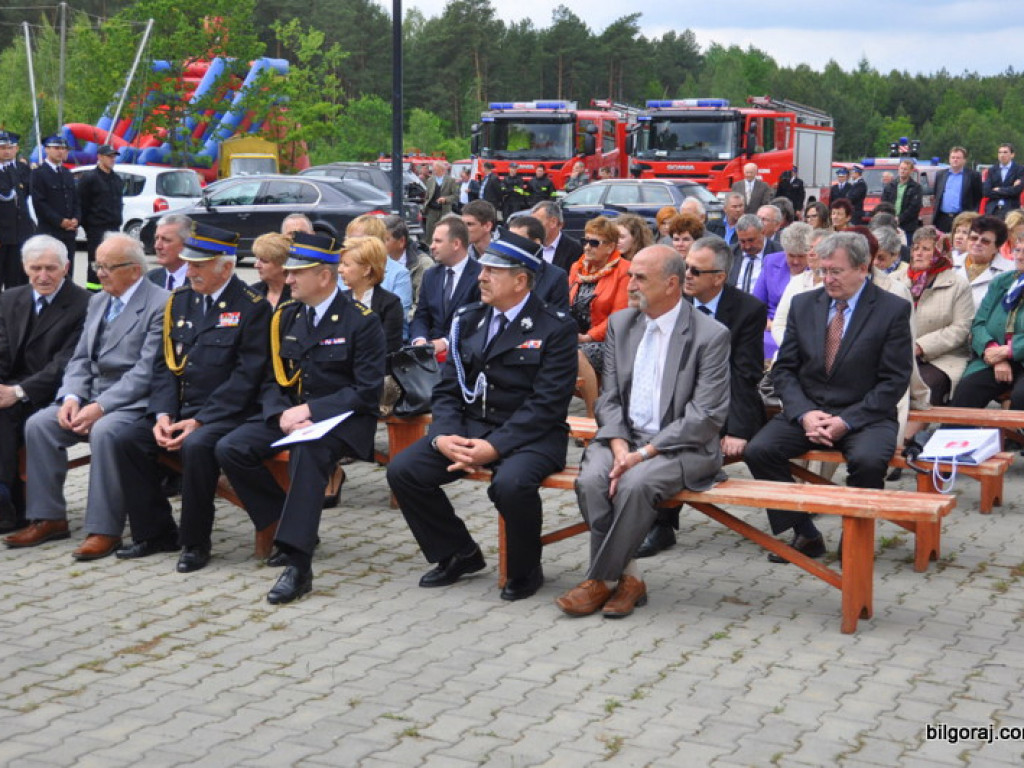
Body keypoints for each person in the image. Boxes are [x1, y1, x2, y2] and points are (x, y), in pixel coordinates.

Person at [387, 234, 577, 601]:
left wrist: (495, 447)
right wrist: (443, 435)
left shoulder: (555, 327)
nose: (481, 276)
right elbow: (447, 388)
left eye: (492, 270)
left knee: (510, 484)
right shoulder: (469, 318)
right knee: (403, 470)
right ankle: (457, 552)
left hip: (531, 436)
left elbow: (547, 404)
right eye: (483, 268)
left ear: (520, 280)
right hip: (471, 429)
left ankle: (524, 569)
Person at [555, 245, 730, 617]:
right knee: (590, 482)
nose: (629, 283)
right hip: (625, 437)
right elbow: (609, 398)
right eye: (631, 275)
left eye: (639, 278)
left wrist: (642, 455)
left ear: (671, 284)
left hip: (683, 446)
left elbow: (705, 416)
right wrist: (620, 445)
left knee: (635, 485)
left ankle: (598, 581)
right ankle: (629, 579)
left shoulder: (710, 335)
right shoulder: (623, 324)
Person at [215, 233, 386, 604]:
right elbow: (271, 378)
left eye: (296, 273)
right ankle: (283, 521)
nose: (287, 279)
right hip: (291, 416)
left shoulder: (361, 322)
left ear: (324, 277)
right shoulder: (287, 316)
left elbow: (367, 389)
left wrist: (310, 411)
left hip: (343, 420)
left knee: (307, 454)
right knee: (231, 447)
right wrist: (281, 414)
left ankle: (298, 564)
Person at [743, 232, 913, 560]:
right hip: (811, 410)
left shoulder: (892, 309)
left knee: (866, 463)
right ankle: (805, 533)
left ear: (863, 268)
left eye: (836, 271)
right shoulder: (805, 304)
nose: (827, 279)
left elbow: (894, 381)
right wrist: (804, 412)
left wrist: (847, 420)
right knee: (759, 451)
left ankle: (856, 543)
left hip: (866, 416)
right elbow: (785, 369)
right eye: (823, 271)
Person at [113, 224, 271, 569]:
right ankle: (154, 533)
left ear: (226, 267)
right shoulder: (181, 301)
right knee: (127, 439)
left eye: (199, 265)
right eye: (189, 264)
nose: (191, 271)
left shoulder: (252, 308)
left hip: (225, 413)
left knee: (198, 447)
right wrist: (163, 414)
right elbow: (165, 366)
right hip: (180, 409)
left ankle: (195, 542)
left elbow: (247, 377)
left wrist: (199, 419)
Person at [5, 234, 167, 556]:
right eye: (97, 265)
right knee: (40, 424)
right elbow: (79, 358)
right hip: (88, 396)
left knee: (106, 433)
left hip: (129, 402)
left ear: (135, 270)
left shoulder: (160, 304)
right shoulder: (99, 300)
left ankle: (104, 529)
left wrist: (100, 407)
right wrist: (71, 398)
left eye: (107, 267)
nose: (99, 273)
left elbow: (146, 372)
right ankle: (48, 518)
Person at [636, 235, 766, 558]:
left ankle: (798, 527)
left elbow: (745, 373)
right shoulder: (672, 301)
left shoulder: (747, 310)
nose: (687, 276)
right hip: (676, 407)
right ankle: (660, 525)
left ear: (719, 278)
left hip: (722, 407)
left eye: (695, 270)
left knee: (757, 451)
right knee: (658, 440)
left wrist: (736, 428)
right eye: (685, 267)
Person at [0, 235, 89, 532]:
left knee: (9, 414)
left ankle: (10, 504)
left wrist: (18, 392)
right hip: (11, 387)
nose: (43, 276)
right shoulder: (9, 298)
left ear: (66, 267)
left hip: (55, 392)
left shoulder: (84, 304)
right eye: (35, 267)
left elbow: (67, 363)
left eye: (51, 268)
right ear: (24, 267)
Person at [897, 226, 973, 405]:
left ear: (940, 253)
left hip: (943, 358)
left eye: (926, 249)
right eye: (915, 248)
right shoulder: (896, 279)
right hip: (898, 353)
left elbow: (960, 329)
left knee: (924, 386)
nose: (918, 253)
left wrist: (920, 346)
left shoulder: (958, 285)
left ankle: (907, 434)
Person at [950, 238, 1024, 410]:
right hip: (995, 357)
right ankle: (956, 436)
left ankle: (1013, 437)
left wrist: (1010, 350)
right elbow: (979, 323)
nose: (1019, 257)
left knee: (1021, 398)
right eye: (1017, 250)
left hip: (1015, 355)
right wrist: (993, 353)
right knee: (968, 389)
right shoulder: (1002, 281)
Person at [570, 216, 631, 418]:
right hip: (576, 336)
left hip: (612, 340)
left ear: (610, 246)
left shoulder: (623, 270)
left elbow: (619, 316)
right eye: (584, 241)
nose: (587, 247)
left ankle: (593, 417)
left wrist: (588, 337)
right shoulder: (577, 269)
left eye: (594, 243)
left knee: (578, 354)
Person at [410, 216, 481, 356]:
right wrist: (419, 340)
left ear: (456, 244)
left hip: (464, 355)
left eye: (438, 241)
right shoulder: (430, 275)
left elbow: (478, 323)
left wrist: (445, 342)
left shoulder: (480, 276)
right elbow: (421, 315)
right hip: (428, 355)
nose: (431, 246)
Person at [753, 222, 813, 360]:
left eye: (801, 256)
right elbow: (756, 304)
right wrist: (767, 324)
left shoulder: (816, 271)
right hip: (768, 328)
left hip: (803, 333)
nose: (796, 261)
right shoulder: (771, 261)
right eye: (791, 255)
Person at [338, 235, 404, 354]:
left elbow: (388, 349)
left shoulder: (390, 304)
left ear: (366, 270)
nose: (340, 269)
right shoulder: (338, 300)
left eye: (346, 265)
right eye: (341, 263)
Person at [345, 215, 412, 326]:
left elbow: (397, 319)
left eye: (356, 241)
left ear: (375, 243)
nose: (348, 246)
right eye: (348, 239)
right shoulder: (342, 271)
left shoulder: (398, 274)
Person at [30, 136, 80, 277]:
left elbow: (76, 200)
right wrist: (60, 221)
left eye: (64, 149)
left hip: (68, 233)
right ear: (47, 149)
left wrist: (76, 218)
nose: (61, 152)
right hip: (50, 232)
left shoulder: (67, 173)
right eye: (57, 148)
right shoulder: (38, 173)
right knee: (49, 272)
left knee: (67, 271)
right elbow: (40, 203)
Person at [77, 144, 123, 292]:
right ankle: (92, 292)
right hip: (97, 229)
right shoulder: (89, 178)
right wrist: (89, 227)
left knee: (113, 262)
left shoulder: (116, 179)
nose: (112, 159)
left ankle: (108, 290)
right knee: (95, 263)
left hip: (114, 228)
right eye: (109, 156)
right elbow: (82, 204)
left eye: (114, 156)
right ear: (100, 157)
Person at [502, 221, 570, 312]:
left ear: (536, 244)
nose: (512, 245)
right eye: (509, 240)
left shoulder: (555, 277)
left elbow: (559, 319)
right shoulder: (501, 271)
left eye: (518, 240)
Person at [0, 131, 36, 290]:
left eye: (9, 147)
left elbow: (22, 199)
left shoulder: (15, 170)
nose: (7, 151)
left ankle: (12, 314)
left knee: (16, 282)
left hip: (18, 235)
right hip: (2, 236)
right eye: (2, 148)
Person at [952, 215, 1013, 309]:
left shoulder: (1010, 272)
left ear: (997, 247)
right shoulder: (950, 264)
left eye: (985, 241)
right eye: (973, 238)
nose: (977, 243)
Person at [382, 214, 434, 321]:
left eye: (385, 240)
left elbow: (422, 307)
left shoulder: (423, 265)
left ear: (401, 242)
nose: (379, 244)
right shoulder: (377, 260)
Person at [933, 147, 983, 233]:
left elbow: (978, 196)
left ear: (964, 160)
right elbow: (936, 194)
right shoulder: (940, 175)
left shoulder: (973, 176)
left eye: (958, 158)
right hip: (942, 219)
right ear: (949, 159)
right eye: (953, 157)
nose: (955, 160)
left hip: (962, 218)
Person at [531, 200, 583, 272]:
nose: (533, 227)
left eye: (537, 222)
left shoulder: (575, 250)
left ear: (553, 222)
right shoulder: (530, 246)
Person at [729, 214, 774, 292]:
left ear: (763, 232)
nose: (747, 246)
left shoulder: (778, 253)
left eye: (751, 240)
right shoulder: (729, 253)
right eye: (742, 241)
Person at [147, 213, 191, 292]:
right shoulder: (150, 279)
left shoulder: (200, 282)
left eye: (166, 240)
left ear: (186, 244)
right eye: (156, 238)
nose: (157, 246)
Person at [881, 158, 923, 242]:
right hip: (890, 225)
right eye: (901, 168)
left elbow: (914, 207)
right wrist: (890, 217)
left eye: (905, 169)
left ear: (911, 171)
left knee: (905, 250)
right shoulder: (890, 186)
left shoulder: (916, 187)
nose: (902, 171)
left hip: (908, 226)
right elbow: (884, 203)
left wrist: (900, 218)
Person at [250, 232, 291, 309]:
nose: (256, 265)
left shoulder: (299, 296)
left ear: (283, 265)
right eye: (257, 259)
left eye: (264, 261)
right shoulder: (252, 292)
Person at [982, 143, 1024, 218]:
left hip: (1011, 210)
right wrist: (1009, 189)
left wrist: (998, 189)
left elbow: (1017, 190)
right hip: (993, 209)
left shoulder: (1020, 170)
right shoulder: (991, 170)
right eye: (1000, 152)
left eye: (1005, 152)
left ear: (1012, 155)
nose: (1002, 155)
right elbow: (986, 192)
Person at [423, 161, 460, 239]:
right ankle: (430, 248)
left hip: (444, 211)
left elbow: (456, 196)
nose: (433, 171)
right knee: (430, 233)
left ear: (442, 170)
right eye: (433, 169)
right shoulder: (430, 180)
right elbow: (427, 196)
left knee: (444, 233)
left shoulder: (451, 181)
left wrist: (446, 199)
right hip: (432, 211)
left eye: (435, 169)